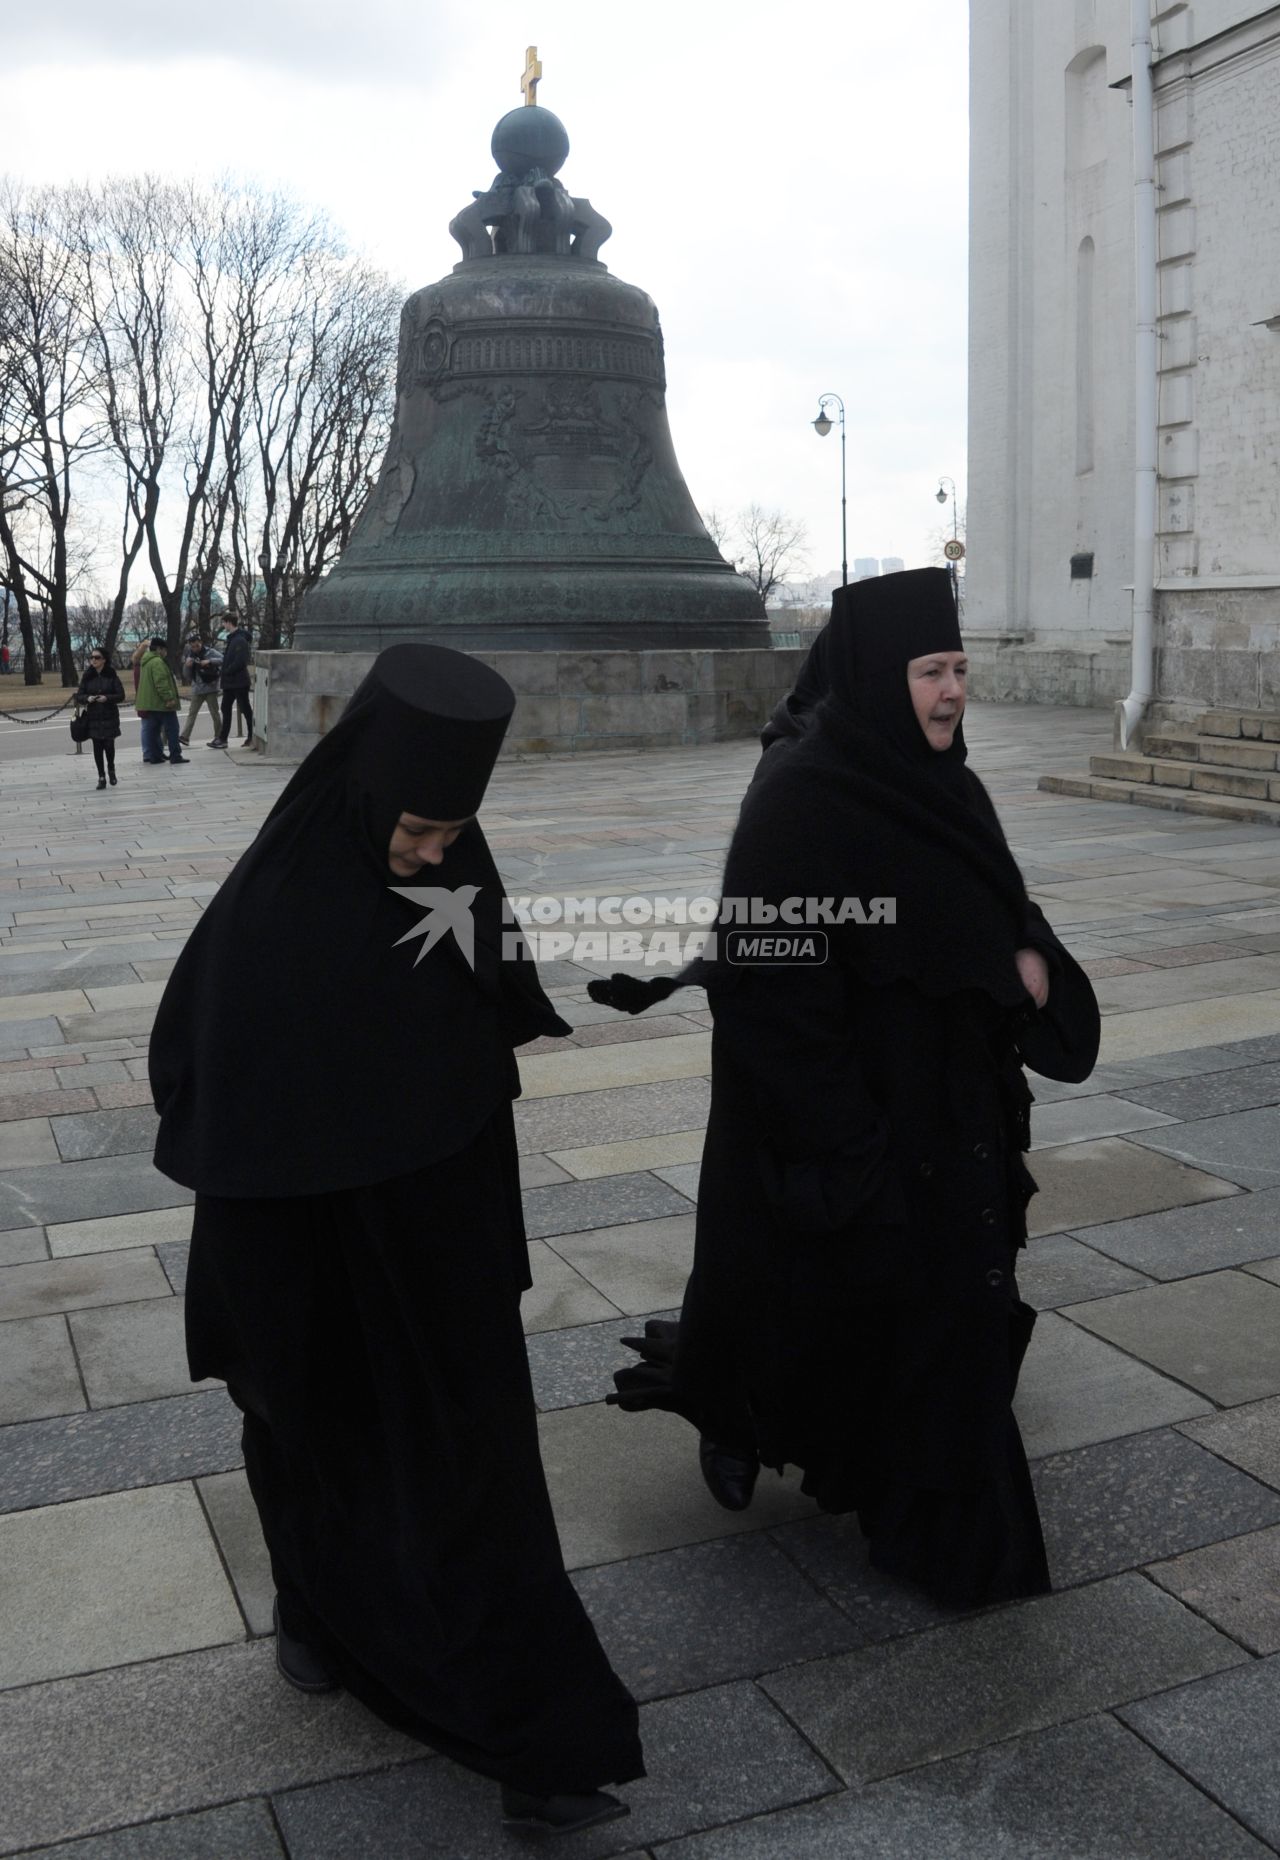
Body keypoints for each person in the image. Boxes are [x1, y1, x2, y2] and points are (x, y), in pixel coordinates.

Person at [148, 643, 643, 1836]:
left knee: (474, 1486)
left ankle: (536, 1734)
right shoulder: (268, 921)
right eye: (419, 830)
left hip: (442, 1267)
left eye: (455, 832)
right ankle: (313, 1610)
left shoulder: (449, 887)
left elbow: (485, 1038)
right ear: (368, 792)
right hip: (310, 1280)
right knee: (317, 1447)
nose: (435, 854)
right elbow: (216, 1110)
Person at [594, 568, 1100, 1610]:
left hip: (946, 1105)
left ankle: (922, 1502)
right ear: (878, 675)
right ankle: (734, 1413)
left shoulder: (946, 780)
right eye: (928, 670)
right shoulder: (800, 797)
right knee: (787, 1302)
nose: (950, 691)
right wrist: (848, 1149)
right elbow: (774, 1002)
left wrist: (1024, 950)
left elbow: (994, 893)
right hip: (842, 1119)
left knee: (927, 1320)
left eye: (959, 668)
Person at [75, 647, 126, 789]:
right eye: (91, 657)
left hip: (109, 715)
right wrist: (88, 698)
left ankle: (111, 769)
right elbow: (79, 696)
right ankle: (101, 776)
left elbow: (121, 695)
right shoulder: (87, 676)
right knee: (97, 747)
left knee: (109, 745)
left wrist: (107, 698)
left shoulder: (111, 675)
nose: (93, 660)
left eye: (97, 657)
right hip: (94, 716)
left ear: (104, 660)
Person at [136, 638, 188, 765]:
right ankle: (175, 755)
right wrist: (169, 698)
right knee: (172, 729)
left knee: (153, 731)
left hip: (150, 703)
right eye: (164, 650)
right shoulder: (157, 662)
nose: (165, 653)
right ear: (159, 649)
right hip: (161, 703)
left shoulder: (146, 661)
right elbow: (161, 682)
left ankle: (155, 756)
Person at [210, 614, 253, 748]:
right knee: (226, 708)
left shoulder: (239, 640)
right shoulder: (233, 639)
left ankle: (251, 736)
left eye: (224, 623)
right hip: (231, 682)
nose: (223, 626)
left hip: (238, 681)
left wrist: (226, 670)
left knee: (245, 709)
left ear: (229, 623)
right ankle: (223, 739)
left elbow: (240, 661)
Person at [180, 636, 222, 745]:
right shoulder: (189, 655)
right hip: (197, 689)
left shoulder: (210, 652)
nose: (195, 649)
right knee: (192, 713)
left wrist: (210, 661)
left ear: (201, 643)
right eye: (193, 647)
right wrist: (187, 666)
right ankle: (185, 736)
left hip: (211, 687)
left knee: (214, 713)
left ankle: (219, 736)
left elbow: (223, 659)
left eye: (197, 646)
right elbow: (186, 675)